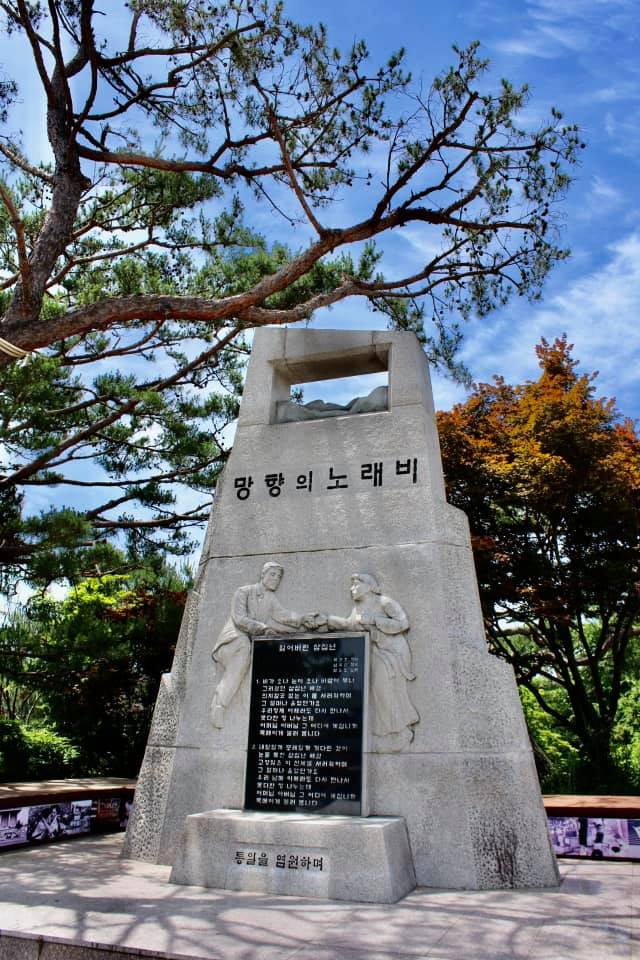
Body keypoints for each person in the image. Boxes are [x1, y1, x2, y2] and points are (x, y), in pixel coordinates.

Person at [210, 561, 320, 728]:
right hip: (232, 640)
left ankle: (249, 718)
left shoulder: (270, 599)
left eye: (279, 577)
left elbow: (283, 615)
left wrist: (302, 618)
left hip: (253, 644)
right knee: (244, 648)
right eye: (273, 575)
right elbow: (239, 619)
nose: (276, 579)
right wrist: (264, 628)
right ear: (263, 575)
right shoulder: (243, 592)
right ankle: (219, 704)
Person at [327, 572, 419, 751]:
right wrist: (328, 621)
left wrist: (375, 620)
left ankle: (401, 733)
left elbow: (403, 623)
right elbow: (351, 625)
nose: (351, 589)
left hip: (392, 653)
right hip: (374, 652)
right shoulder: (358, 608)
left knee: (385, 691)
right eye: (351, 585)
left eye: (355, 585)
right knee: (376, 693)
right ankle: (385, 735)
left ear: (368, 586)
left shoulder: (384, 602)